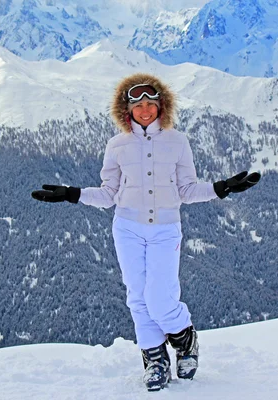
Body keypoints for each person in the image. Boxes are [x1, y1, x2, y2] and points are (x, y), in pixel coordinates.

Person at [31, 73, 260, 391]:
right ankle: (155, 360)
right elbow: (108, 194)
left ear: (161, 106)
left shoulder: (177, 142)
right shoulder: (117, 146)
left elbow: (188, 190)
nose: (145, 110)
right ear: (127, 110)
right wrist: (72, 193)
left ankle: (185, 340)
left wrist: (222, 188)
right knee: (138, 297)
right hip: (127, 229)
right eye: (138, 105)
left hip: (166, 229)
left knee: (159, 297)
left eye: (151, 104)